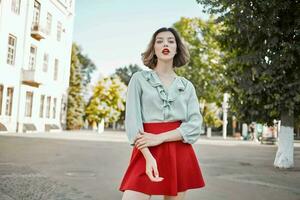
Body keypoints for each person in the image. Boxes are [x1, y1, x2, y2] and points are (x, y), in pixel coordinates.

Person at [119, 27, 205, 200]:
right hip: (145, 149)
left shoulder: (187, 86)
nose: (165, 43)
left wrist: (161, 137)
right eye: (160, 41)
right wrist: (148, 156)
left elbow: (194, 125)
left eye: (171, 41)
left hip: (179, 150)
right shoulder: (139, 79)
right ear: (154, 49)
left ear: (177, 49)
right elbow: (133, 122)